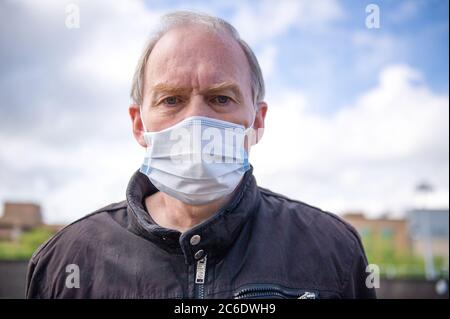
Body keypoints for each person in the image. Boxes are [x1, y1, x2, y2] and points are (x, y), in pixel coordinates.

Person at [26, 11, 376, 299]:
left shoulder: (331, 251)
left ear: (257, 120)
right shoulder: (67, 261)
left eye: (221, 98)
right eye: (171, 100)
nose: (196, 120)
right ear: (138, 124)